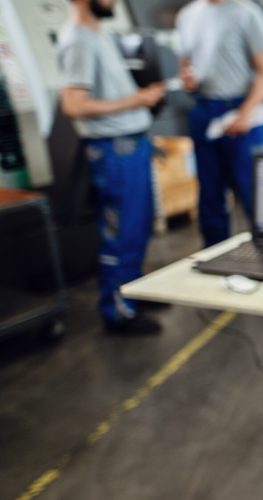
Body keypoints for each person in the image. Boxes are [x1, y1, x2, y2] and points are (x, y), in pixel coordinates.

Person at [58, 0, 166, 335]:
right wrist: (136, 100)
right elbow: (73, 105)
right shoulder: (78, 39)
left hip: (131, 144)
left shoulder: (97, 34)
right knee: (121, 232)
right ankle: (117, 310)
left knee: (137, 227)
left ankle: (131, 291)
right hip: (114, 150)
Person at [175, 0, 263, 247]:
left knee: (255, 195)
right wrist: (187, 80)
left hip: (242, 111)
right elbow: (185, 66)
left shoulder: (247, 14)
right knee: (209, 196)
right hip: (204, 110)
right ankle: (215, 257)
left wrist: (245, 113)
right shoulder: (187, 15)